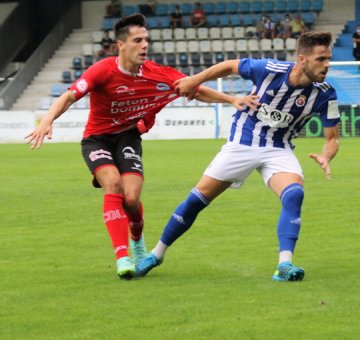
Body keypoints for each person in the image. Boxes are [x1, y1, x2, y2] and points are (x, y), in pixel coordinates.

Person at [24, 14, 258, 280]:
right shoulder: (102, 70)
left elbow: (193, 89)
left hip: (128, 138)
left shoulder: (159, 74)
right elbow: (68, 95)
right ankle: (122, 257)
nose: (145, 44)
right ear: (121, 45)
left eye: (146, 39)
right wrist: (46, 121)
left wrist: (231, 99)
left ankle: (137, 241)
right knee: (113, 185)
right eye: (138, 40)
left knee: (132, 199)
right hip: (97, 139)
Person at [134, 32, 341, 282]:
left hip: (279, 148)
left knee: (295, 193)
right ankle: (157, 254)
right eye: (321, 59)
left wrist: (326, 156)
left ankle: (284, 265)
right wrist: (194, 80)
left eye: (328, 59)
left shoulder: (325, 93)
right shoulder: (269, 70)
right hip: (242, 142)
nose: (327, 65)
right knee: (197, 200)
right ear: (302, 59)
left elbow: (332, 138)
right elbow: (230, 65)